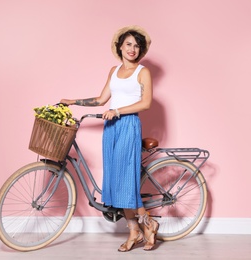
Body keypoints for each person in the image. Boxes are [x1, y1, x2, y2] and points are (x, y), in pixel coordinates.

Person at [60, 25, 159, 252]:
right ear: (120, 47)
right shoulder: (113, 70)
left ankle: (149, 224)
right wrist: (73, 101)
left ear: (140, 49)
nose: (132, 49)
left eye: (136, 45)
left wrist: (118, 111)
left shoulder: (142, 72)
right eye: (128, 44)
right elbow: (101, 99)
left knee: (126, 180)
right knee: (115, 180)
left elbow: (146, 103)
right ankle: (134, 231)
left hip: (127, 125)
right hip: (111, 128)